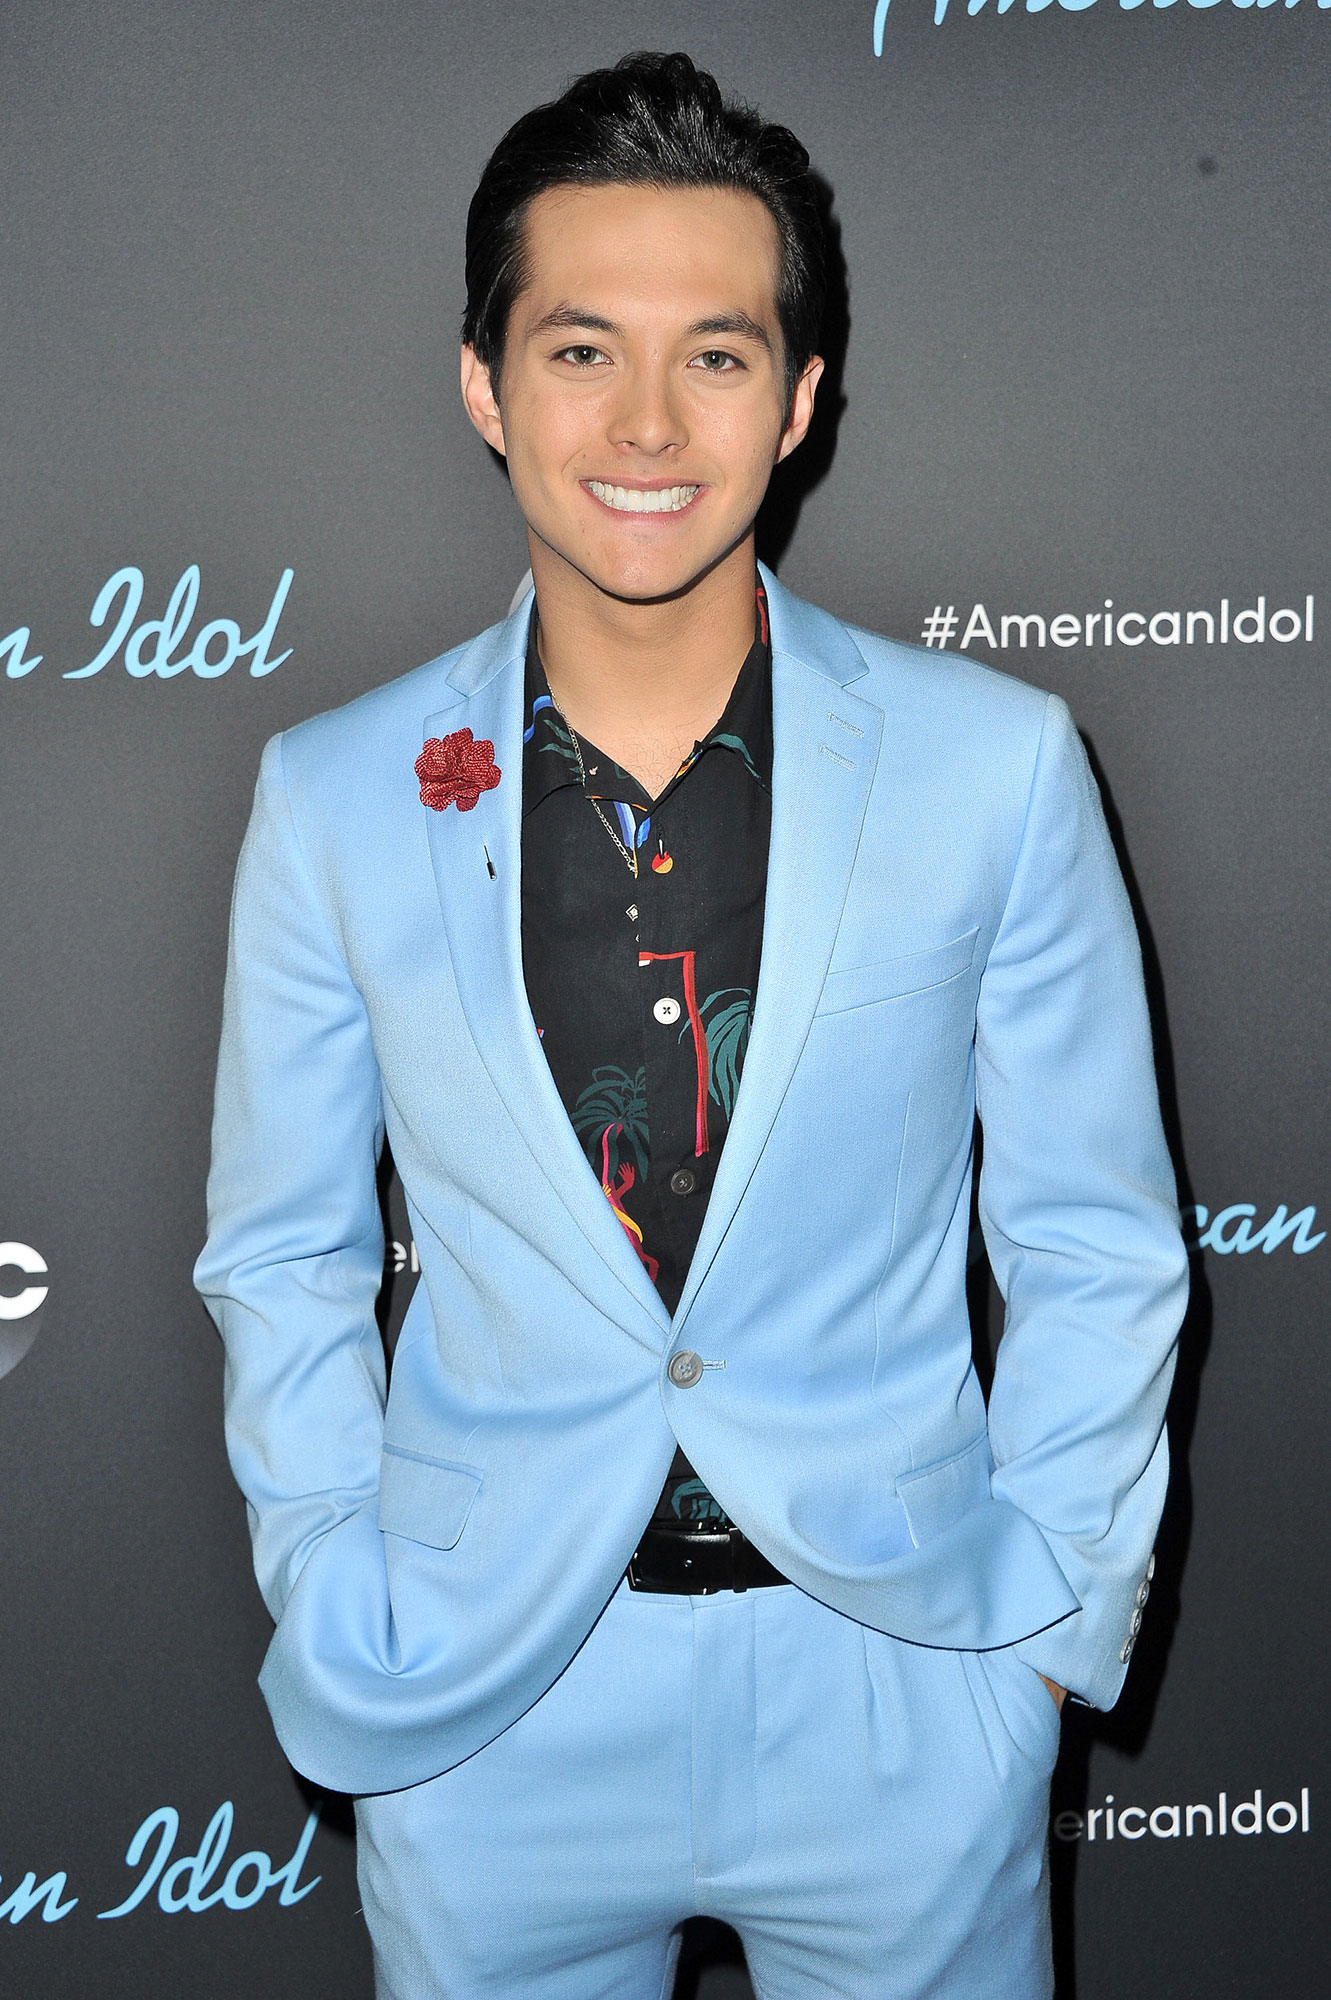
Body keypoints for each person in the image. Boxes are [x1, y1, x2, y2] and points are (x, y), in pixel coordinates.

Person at [195, 49, 1187, 2000]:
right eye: (581, 351)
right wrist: (334, 1587)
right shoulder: (334, 795)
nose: (647, 422)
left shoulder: (996, 768)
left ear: (799, 399)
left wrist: (1040, 1641)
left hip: (900, 1687)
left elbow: (1093, 1235)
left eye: (716, 356)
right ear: (485, 386)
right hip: (487, 1710)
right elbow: (284, 1254)